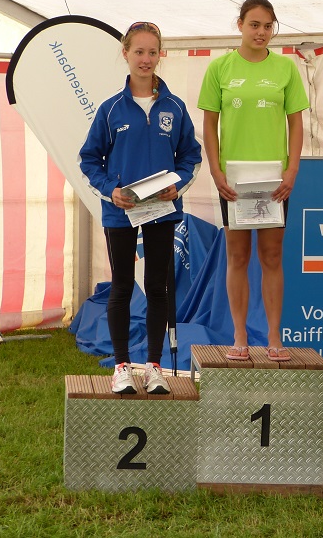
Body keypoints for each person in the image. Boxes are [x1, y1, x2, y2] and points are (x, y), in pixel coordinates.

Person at [79, 21, 202, 395]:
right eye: (139, 52)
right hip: (121, 212)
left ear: (160, 55)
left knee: (158, 286)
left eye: (152, 52)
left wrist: (177, 185)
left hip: (162, 211)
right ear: (126, 54)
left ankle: (152, 367)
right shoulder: (111, 109)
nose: (146, 59)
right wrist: (109, 190)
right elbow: (89, 160)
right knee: (121, 285)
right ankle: (121, 367)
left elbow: (191, 158)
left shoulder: (176, 108)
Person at [198, 0, 310, 362]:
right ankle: (240, 336)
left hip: (274, 178)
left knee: (272, 256)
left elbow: (296, 123)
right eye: (255, 25)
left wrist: (292, 169)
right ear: (240, 25)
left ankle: (274, 337)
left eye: (268, 26)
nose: (261, 32)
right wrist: (216, 171)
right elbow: (209, 125)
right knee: (237, 255)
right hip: (233, 179)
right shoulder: (220, 68)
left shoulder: (286, 69)